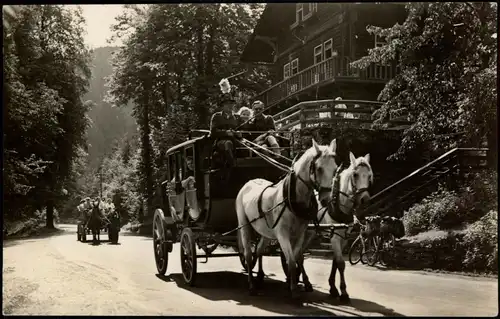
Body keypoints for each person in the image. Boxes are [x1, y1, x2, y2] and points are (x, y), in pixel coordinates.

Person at [210, 93, 241, 167]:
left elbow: (242, 129)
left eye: (231, 104)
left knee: (247, 146)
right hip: (221, 142)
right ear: (222, 106)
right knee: (228, 144)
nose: (230, 106)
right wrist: (226, 133)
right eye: (227, 104)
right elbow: (213, 132)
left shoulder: (237, 117)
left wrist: (239, 133)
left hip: (235, 140)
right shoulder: (216, 116)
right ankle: (233, 165)